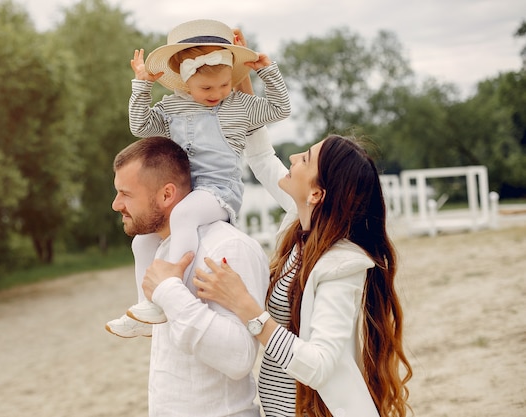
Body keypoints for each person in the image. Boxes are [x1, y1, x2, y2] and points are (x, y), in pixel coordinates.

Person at [150, 127, 413, 416]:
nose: (294, 156)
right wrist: (243, 92)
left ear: (316, 194)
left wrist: (245, 305)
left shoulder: (341, 265)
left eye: (306, 159)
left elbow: (319, 365)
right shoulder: (299, 229)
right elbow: (262, 157)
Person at [106, 19, 290, 337]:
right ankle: (144, 309)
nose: (217, 93)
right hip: (184, 189)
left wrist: (267, 71)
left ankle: (170, 285)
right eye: (207, 88)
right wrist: (142, 86)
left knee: (184, 215)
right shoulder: (172, 107)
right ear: (185, 81)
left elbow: (280, 108)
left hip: (218, 191)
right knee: (141, 240)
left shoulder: (239, 106)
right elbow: (140, 126)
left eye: (223, 85)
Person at [110, 136, 270, 416]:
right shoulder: (160, 249)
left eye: (126, 193)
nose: (116, 204)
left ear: (166, 195)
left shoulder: (227, 248)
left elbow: (239, 358)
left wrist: (170, 292)